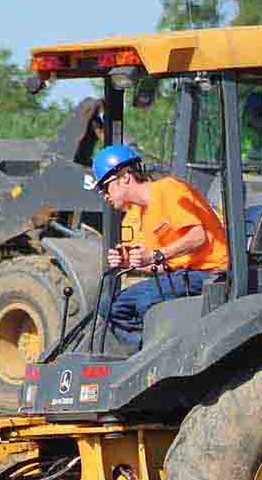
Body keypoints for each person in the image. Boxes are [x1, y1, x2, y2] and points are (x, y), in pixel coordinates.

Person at [88, 143, 229, 346]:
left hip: (211, 272)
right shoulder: (141, 214)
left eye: (104, 187)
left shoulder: (168, 190)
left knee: (135, 303)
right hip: (185, 274)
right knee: (109, 306)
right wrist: (129, 263)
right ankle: (148, 350)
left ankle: (153, 352)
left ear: (125, 177)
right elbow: (163, 263)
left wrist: (155, 255)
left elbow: (198, 236)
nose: (105, 196)